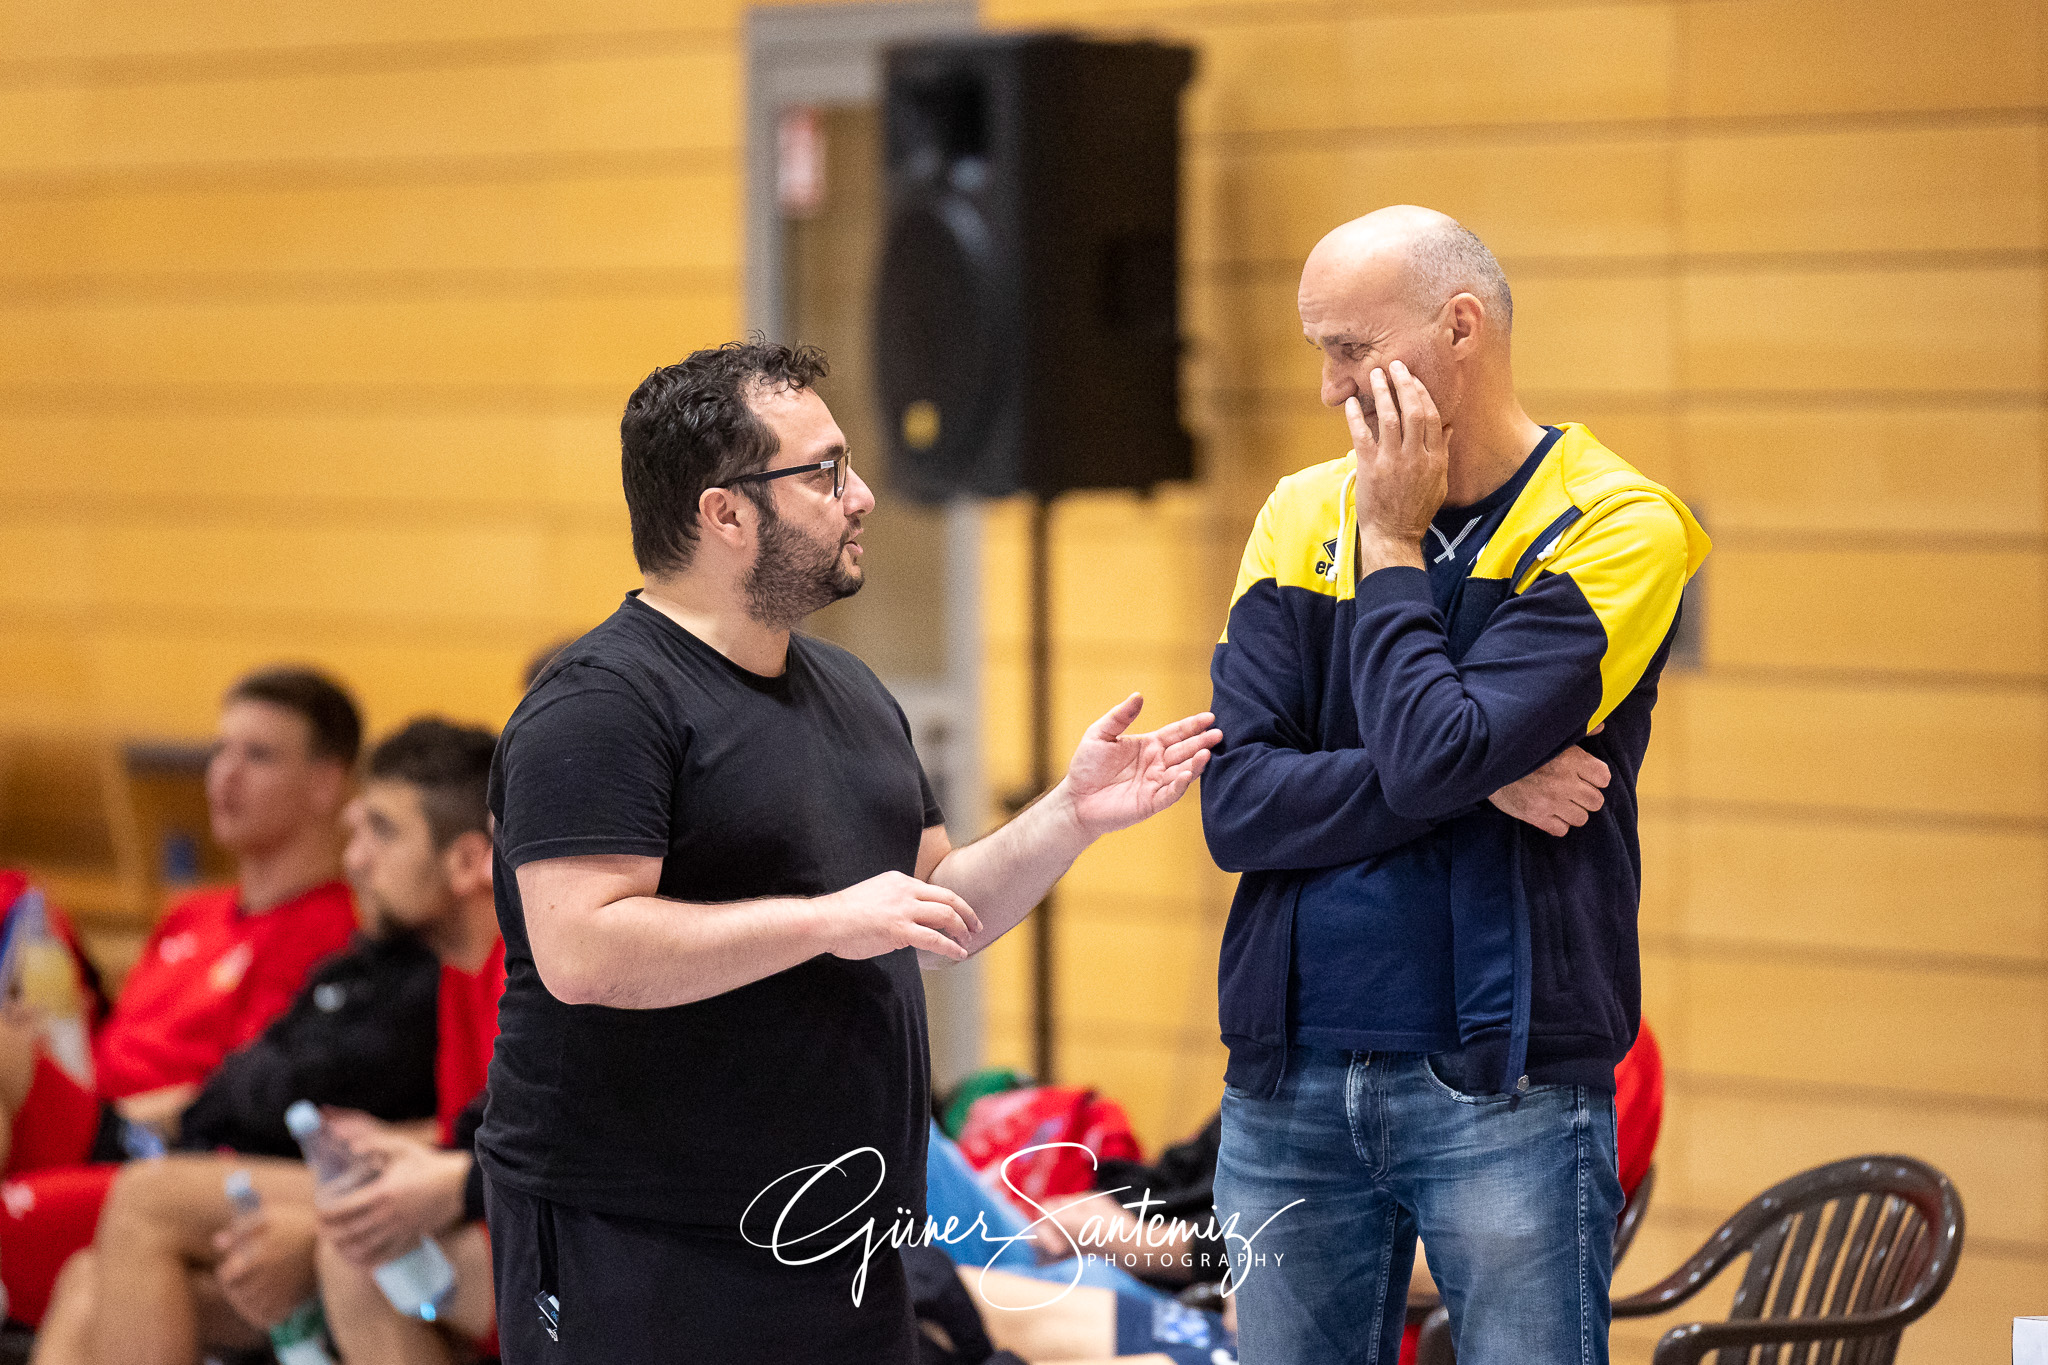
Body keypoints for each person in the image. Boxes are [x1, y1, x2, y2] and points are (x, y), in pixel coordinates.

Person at [479, 339, 1222, 1365]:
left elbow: (933, 905)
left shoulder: (853, 692)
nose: (862, 496)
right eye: (824, 472)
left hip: (847, 1233)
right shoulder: (602, 704)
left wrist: (1070, 815)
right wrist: (827, 921)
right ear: (725, 513)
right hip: (644, 1236)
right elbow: (584, 951)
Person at [1201, 207, 1709, 1364]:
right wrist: (1481, 778)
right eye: (1318, 352)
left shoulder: (1616, 527)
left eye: (1350, 349)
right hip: (1285, 1078)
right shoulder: (1296, 512)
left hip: (1505, 1084)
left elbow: (1429, 752)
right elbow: (1238, 806)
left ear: (1460, 329)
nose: (1329, 389)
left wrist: (1391, 545)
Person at [27, 719, 505, 1365]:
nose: (356, 858)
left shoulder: (518, 974)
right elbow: (467, 1137)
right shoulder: (454, 970)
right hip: (459, 1207)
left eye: (383, 831)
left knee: (167, 1205)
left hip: (526, 1238)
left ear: (468, 861)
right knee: (88, 1282)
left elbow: (537, 1158)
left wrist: (320, 1222)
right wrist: (394, 1146)